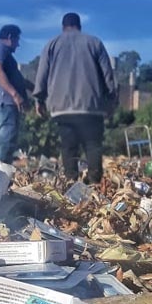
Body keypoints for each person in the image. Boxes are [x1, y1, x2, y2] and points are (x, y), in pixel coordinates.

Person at [33, 12, 117, 184]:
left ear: (63, 27)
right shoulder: (94, 42)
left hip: (61, 108)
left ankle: (71, 183)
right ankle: (94, 185)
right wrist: (111, 100)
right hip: (90, 107)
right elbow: (108, 75)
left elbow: (42, 74)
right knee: (92, 145)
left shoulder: (52, 44)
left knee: (69, 147)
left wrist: (39, 100)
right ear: (79, 26)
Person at [0, 24, 26, 164]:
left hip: (7, 105)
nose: (18, 45)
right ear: (10, 37)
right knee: (6, 143)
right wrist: (15, 94)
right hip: (6, 104)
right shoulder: (0, 49)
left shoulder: (7, 56)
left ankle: (2, 181)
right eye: (17, 40)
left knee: (9, 144)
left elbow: (17, 79)